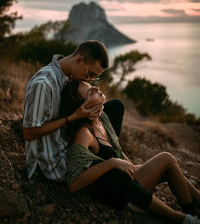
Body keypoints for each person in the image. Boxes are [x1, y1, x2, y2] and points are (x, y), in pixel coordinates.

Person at [60, 80, 200, 224]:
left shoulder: (101, 119)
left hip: (127, 181)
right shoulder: (84, 133)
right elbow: (74, 183)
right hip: (118, 192)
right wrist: (112, 163)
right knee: (166, 158)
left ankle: (193, 211)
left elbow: (118, 150)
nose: (97, 88)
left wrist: (131, 167)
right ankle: (187, 218)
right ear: (83, 107)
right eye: (90, 92)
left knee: (168, 167)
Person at [23, 40, 124, 182]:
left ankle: (113, 155)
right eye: (91, 74)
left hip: (72, 139)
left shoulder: (69, 75)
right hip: (58, 159)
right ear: (79, 60)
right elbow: (29, 133)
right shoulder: (43, 84)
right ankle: (113, 162)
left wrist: (97, 104)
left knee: (115, 106)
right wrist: (74, 117)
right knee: (115, 171)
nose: (91, 80)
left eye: (95, 77)